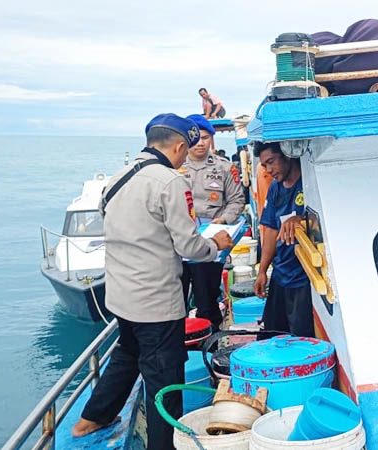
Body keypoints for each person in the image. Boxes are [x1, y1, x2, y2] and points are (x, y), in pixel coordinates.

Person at [71, 113, 235, 450]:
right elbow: (189, 246)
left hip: (120, 296)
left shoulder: (116, 179)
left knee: (127, 353)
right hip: (156, 302)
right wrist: (216, 244)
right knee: (164, 381)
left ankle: (93, 417)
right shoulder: (171, 182)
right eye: (184, 152)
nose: (184, 158)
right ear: (178, 146)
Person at [180, 114, 245, 329]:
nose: (201, 143)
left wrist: (222, 219)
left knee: (207, 301)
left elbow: (237, 201)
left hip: (210, 243)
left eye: (206, 138)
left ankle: (212, 347)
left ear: (212, 139)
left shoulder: (224, 167)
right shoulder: (172, 168)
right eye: (196, 138)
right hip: (178, 241)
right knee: (174, 303)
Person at [252, 141, 314, 337]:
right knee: (273, 334)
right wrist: (263, 271)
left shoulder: (310, 184)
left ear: (287, 155)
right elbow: (270, 230)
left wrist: (302, 220)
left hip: (304, 280)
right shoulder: (275, 188)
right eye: (264, 166)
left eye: (271, 162)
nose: (269, 170)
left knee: (301, 338)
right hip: (280, 275)